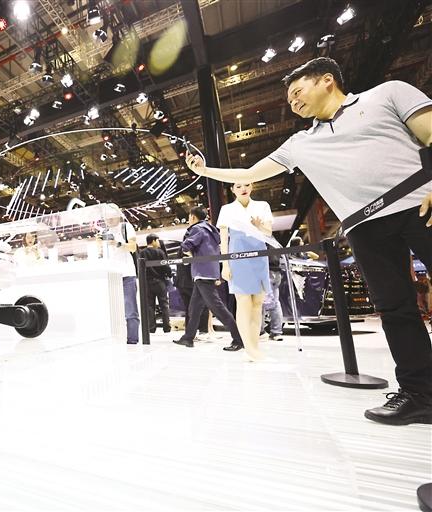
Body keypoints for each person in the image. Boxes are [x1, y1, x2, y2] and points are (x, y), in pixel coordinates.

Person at [185, 56, 432, 425]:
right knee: (396, 310)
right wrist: (204, 170)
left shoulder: (387, 94)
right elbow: (250, 171)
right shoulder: (300, 143)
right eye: (289, 99)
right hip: (364, 226)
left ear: (326, 80)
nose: (293, 102)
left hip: (419, 205)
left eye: (297, 92)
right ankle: (420, 394)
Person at [215, 183, 273, 361]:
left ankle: (253, 349)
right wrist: (225, 264)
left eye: (246, 184)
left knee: (257, 303)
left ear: (252, 186)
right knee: (243, 302)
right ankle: (249, 348)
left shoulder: (262, 206)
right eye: (238, 186)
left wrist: (259, 226)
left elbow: (269, 232)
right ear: (233, 190)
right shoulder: (227, 209)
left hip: (259, 256)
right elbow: (223, 239)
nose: (243, 188)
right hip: (237, 256)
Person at [174, 207, 244, 349]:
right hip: (209, 272)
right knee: (194, 309)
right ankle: (188, 338)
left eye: (189, 217)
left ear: (193, 217)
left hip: (202, 272)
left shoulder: (197, 229)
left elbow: (186, 245)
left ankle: (239, 339)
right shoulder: (212, 230)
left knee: (218, 308)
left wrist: (189, 254)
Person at [103, 213, 139, 344]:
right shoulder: (104, 231)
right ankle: (114, 337)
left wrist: (117, 243)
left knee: (130, 308)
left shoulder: (126, 227)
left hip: (126, 273)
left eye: (111, 215)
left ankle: (132, 339)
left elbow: (133, 247)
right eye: (106, 216)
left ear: (118, 215)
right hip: (110, 274)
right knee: (111, 309)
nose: (108, 218)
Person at [140, 234, 172, 333]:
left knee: (150, 305)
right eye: (157, 240)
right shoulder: (160, 252)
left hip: (147, 282)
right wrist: (169, 274)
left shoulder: (142, 253)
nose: (158, 243)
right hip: (160, 282)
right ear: (153, 241)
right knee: (164, 304)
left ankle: (151, 328)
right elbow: (166, 266)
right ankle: (166, 327)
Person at [260, 248, 284, 341]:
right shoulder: (275, 242)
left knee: (260, 301)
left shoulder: (263, 241)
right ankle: (276, 332)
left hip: (266, 270)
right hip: (276, 272)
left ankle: (260, 332)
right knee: (275, 302)